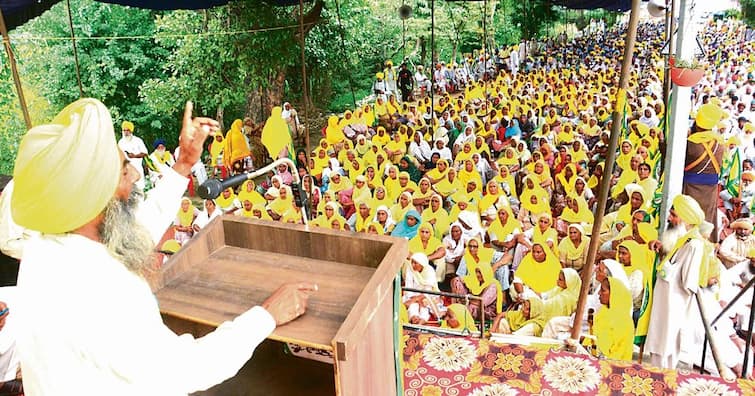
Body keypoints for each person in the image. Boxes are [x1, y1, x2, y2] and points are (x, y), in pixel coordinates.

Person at [11, 98, 316, 394]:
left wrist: (183, 163)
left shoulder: (46, 245)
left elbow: (133, 233)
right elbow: (185, 369)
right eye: (121, 169)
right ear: (91, 198)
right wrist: (267, 315)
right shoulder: (101, 289)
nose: (133, 172)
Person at [646, 195, 706, 369]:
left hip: (674, 303)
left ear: (686, 218)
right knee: (659, 345)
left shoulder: (694, 245)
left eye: (674, 215)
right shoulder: (682, 240)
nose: (670, 218)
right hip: (665, 302)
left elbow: (688, 282)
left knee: (667, 347)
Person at [117, 120, 148, 191]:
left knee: (139, 191)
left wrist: (135, 156)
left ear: (131, 131)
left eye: (127, 130)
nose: (125, 132)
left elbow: (145, 153)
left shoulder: (138, 141)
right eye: (124, 130)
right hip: (126, 172)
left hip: (137, 170)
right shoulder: (121, 142)